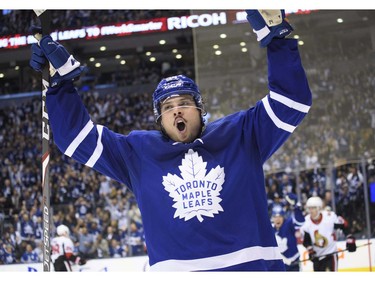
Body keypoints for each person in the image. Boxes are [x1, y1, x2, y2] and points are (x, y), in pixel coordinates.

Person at [30, 9, 312, 271]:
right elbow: (75, 140)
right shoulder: (138, 152)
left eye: (184, 102)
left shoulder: (240, 133)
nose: (176, 109)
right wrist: (60, 86)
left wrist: (278, 39)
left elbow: (292, 102)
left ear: (201, 110)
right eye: (167, 106)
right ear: (160, 119)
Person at [299, 196, 356, 272]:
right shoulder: (306, 222)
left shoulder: (329, 217)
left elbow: (344, 225)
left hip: (331, 254)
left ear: (319, 208)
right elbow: (306, 240)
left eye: (313, 208)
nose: (311, 210)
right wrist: (310, 251)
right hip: (317, 257)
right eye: (309, 208)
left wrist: (350, 238)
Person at [270, 193, 305, 271]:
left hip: (294, 263)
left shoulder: (288, 224)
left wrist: (296, 207)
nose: (277, 219)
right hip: (280, 264)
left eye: (280, 216)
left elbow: (300, 222)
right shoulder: (270, 229)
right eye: (275, 217)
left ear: (283, 217)